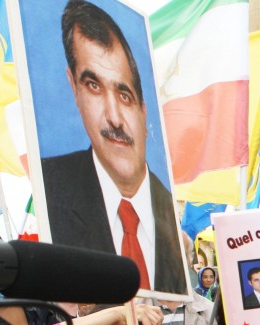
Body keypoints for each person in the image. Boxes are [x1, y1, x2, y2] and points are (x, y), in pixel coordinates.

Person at [42, 0, 185, 294]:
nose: (114, 118)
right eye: (94, 86)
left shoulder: (169, 211)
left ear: (144, 111)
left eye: (124, 95)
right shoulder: (51, 190)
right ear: (74, 89)